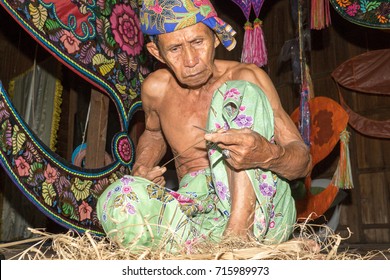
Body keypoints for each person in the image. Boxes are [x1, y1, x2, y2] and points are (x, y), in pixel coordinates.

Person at [97, 0, 311, 251]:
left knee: (237, 92)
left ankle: (239, 239)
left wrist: (269, 155)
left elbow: (303, 164)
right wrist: (142, 168)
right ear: (157, 53)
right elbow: (154, 134)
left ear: (216, 38)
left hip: (263, 215)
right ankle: (205, 255)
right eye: (175, 48)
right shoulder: (157, 90)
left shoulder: (247, 77)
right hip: (194, 215)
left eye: (198, 42)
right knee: (118, 199)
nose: (190, 60)